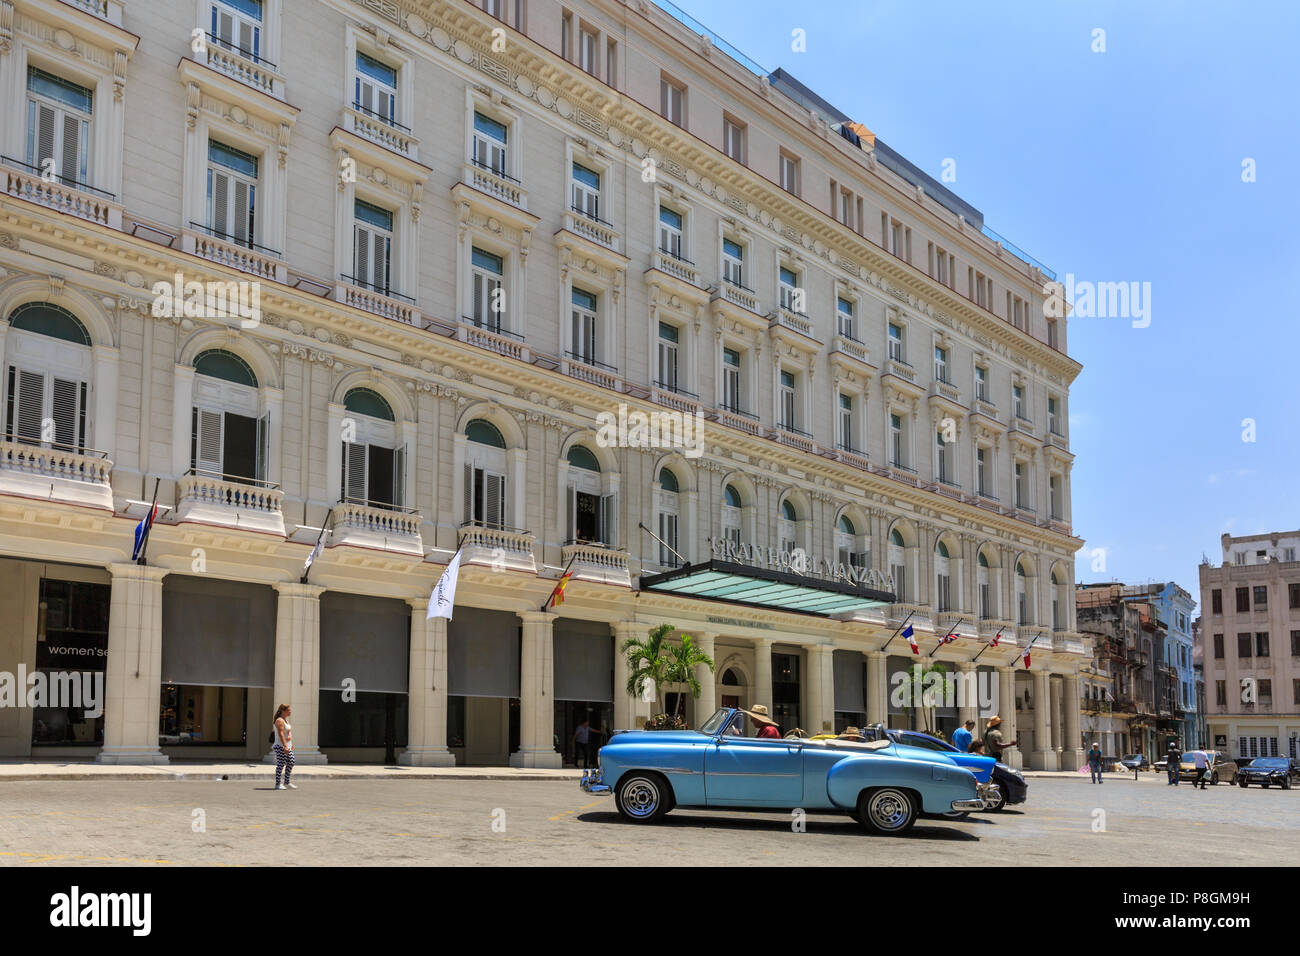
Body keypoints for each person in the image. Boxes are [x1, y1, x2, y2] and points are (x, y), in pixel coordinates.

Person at [272, 704, 295, 791]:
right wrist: (285, 745)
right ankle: (277, 784)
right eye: (288, 710)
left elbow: (288, 733)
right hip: (280, 746)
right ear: (283, 711)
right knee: (281, 764)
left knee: (291, 762)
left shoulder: (285, 720)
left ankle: (287, 782)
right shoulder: (279, 720)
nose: (290, 711)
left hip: (287, 746)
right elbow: (281, 734)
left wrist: (290, 744)